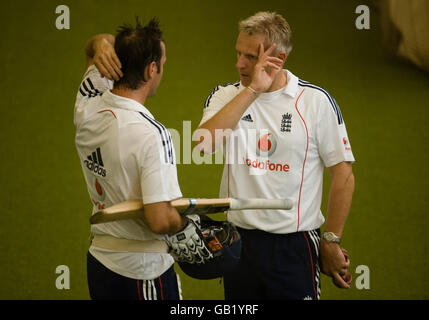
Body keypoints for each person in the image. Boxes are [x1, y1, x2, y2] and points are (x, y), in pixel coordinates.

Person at [197, 11, 355, 300]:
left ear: (278, 60)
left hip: (294, 246)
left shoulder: (315, 102)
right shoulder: (225, 96)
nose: (239, 64)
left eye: (250, 57)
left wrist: (331, 240)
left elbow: (343, 174)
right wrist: (253, 90)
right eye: (238, 53)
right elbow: (204, 144)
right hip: (238, 242)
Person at [74, 17, 211, 300]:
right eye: (163, 64)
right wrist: (187, 225)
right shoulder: (152, 135)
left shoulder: (87, 104)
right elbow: (160, 220)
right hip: (142, 273)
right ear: (152, 70)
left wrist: (100, 42)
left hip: (100, 261)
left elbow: (92, 51)